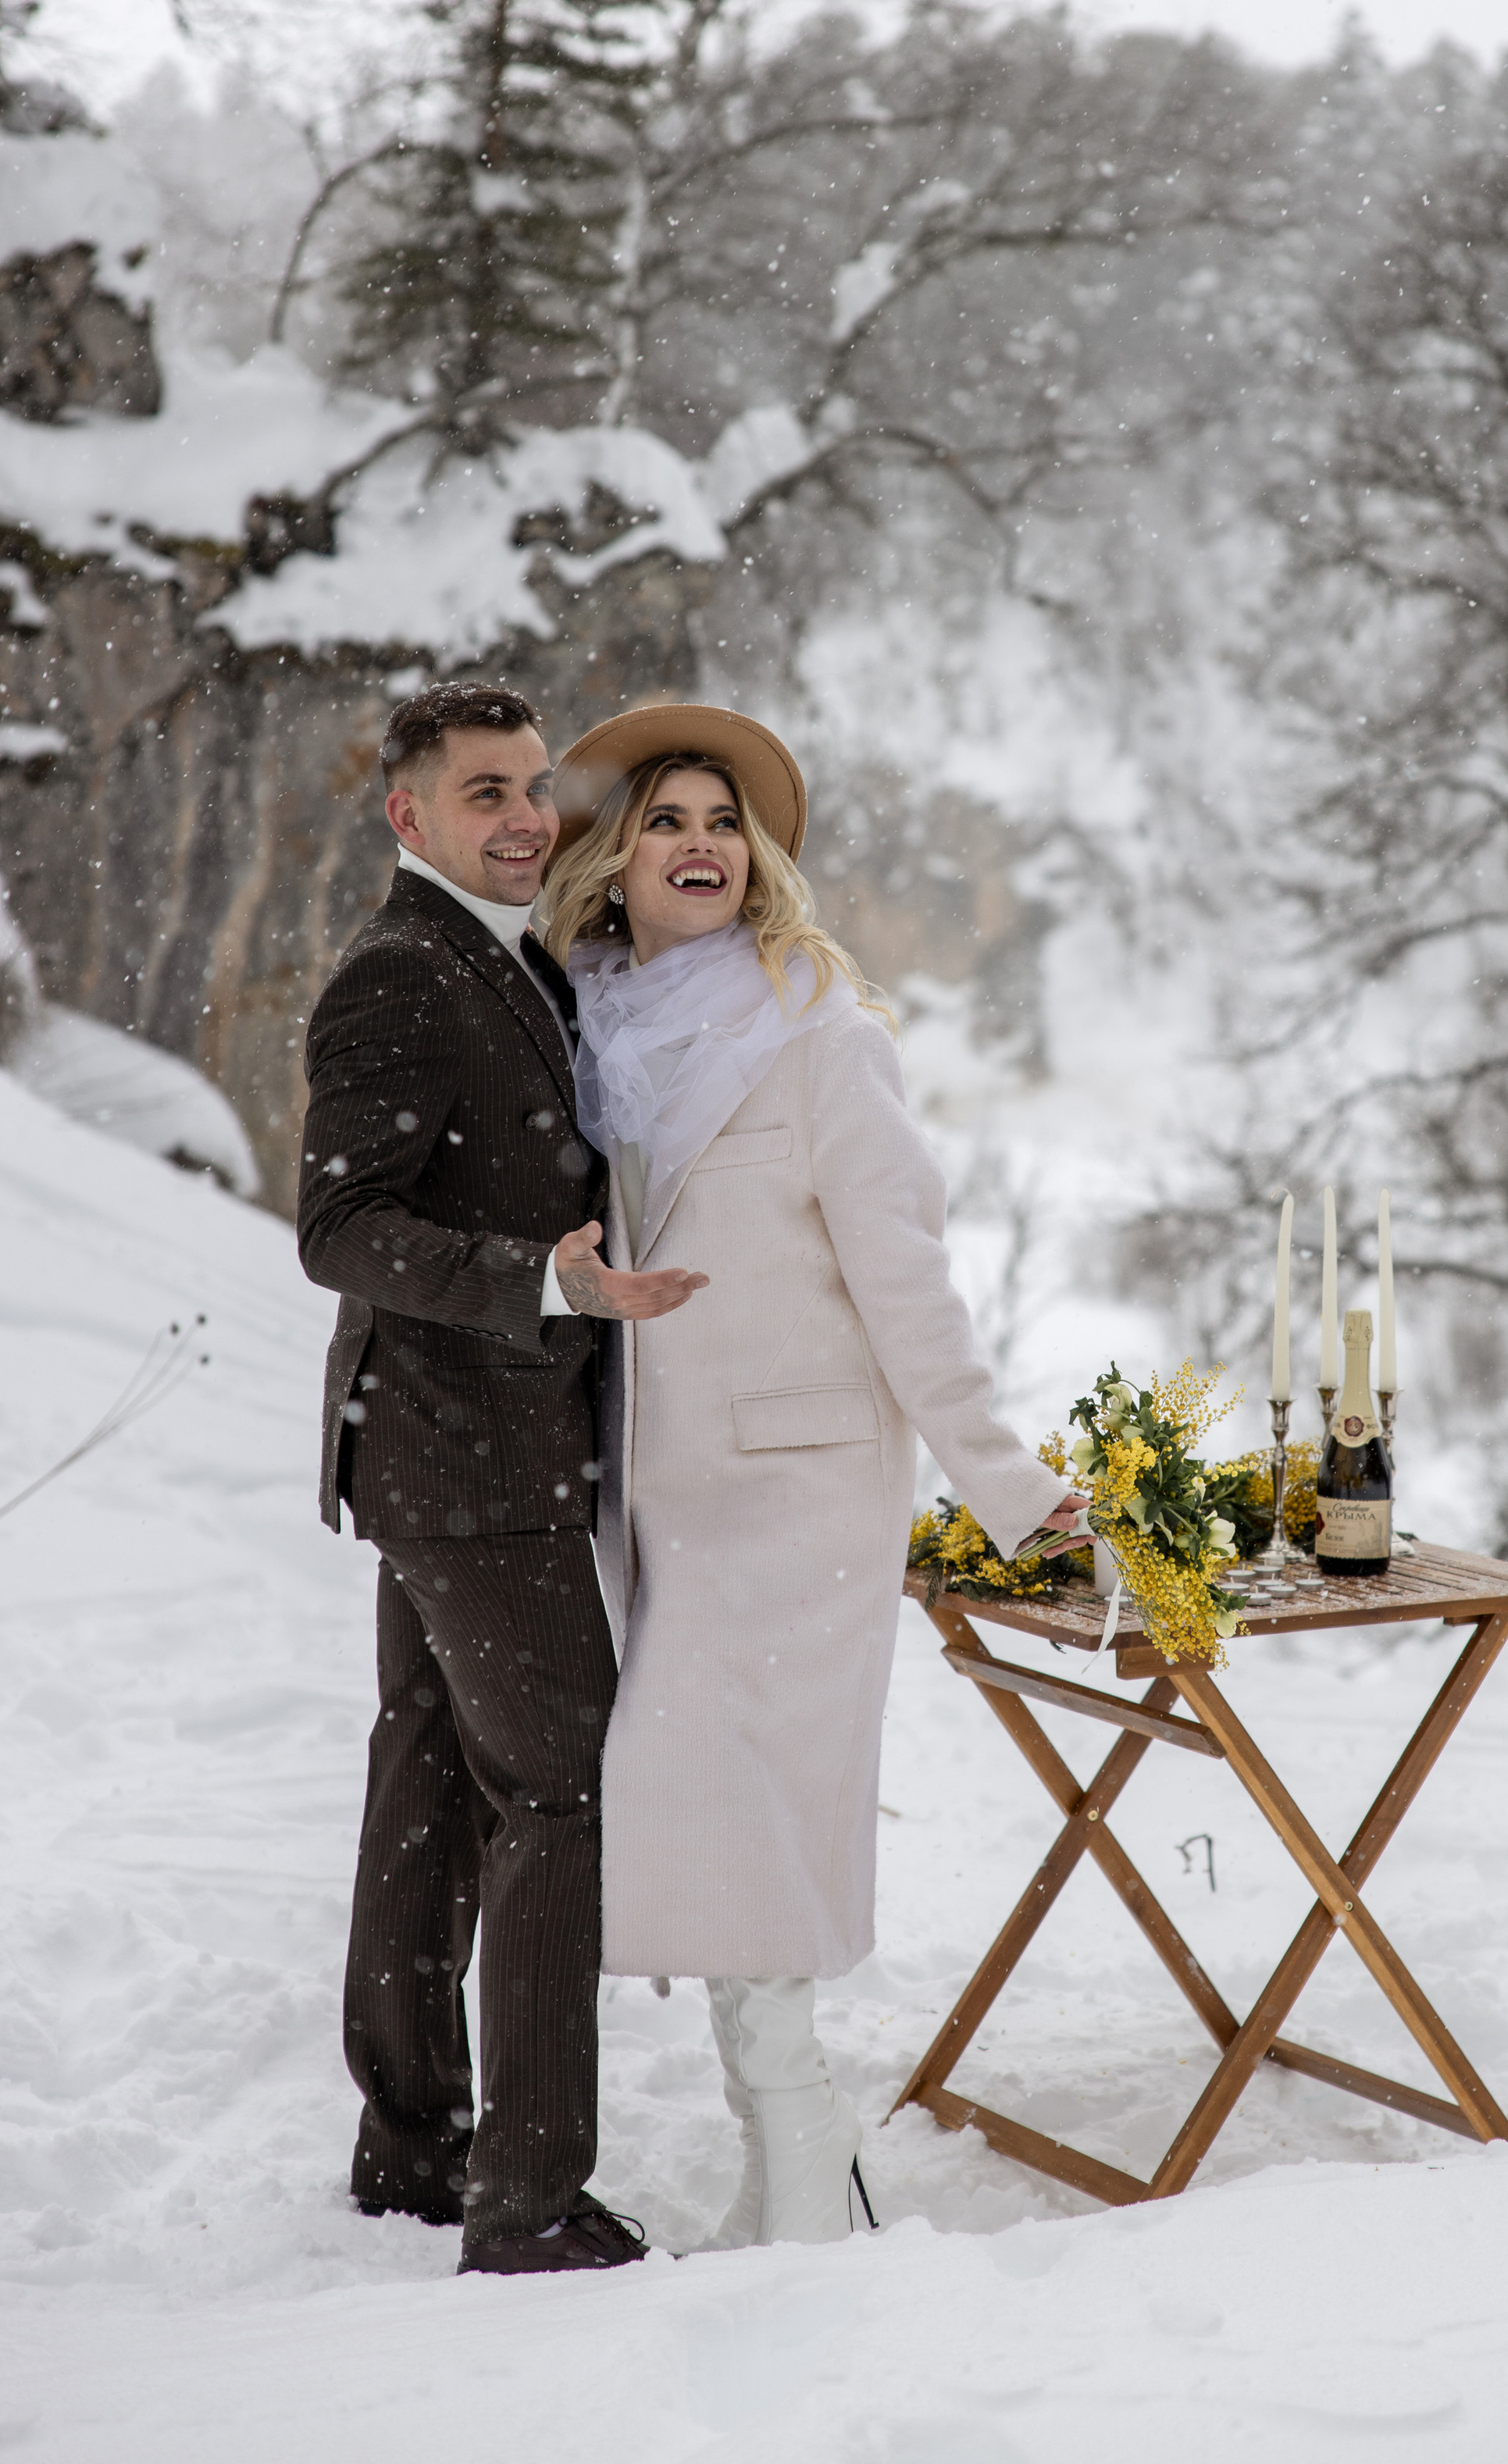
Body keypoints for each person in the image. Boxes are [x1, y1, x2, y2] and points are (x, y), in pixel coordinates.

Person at [537, 700, 1084, 2252]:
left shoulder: (819, 1036)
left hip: (798, 1488)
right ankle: (794, 2155)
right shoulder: (586, 1037)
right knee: (702, 1815)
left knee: (741, 1813)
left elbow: (904, 1280)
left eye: (722, 822)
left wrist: (1002, 1479)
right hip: (651, 1498)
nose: (696, 845)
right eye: (664, 822)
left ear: (757, 860)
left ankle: (805, 2158)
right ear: (617, 861)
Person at [297, 678, 707, 2277]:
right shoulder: (401, 974)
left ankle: (411, 2144)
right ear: (408, 815)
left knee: (428, 1790)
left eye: (535, 783)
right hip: (471, 1455)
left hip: (446, 1449)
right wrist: (543, 1279)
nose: (525, 813)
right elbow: (340, 1226)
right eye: (484, 792)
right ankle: (527, 2201)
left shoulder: (511, 953)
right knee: (558, 1794)